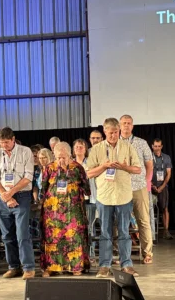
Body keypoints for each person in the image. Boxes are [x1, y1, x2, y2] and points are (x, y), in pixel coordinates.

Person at [86, 118, 142, 278]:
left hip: (123, 195)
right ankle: (104, 265)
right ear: (104, 132)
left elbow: (138, 169)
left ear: (119, 131)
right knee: (105, 232)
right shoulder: (96, 150)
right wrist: (104, 166)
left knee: (124, 231)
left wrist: (123, 167)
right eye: (110, 133)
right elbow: (88, 173)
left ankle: (127, 265)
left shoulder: (128, 147)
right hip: (104, 196)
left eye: (116, 132)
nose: (113, 135)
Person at [0, 127, 36, 279]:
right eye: (1, 143)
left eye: (6, 142)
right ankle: (13, 266)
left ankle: (28, 267)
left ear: (13, 139)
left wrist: (12, 192)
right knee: (7, 235)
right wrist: (5, 195)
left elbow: (28, 176)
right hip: (3, 197)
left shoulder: (25, 151)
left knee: (22, 233)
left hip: (22, 196)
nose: (4, 145)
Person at [40, 142, 91, 276]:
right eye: (58, 157)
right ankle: (52, 267)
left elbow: (87, 189)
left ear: (70, 155)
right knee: (53, 238)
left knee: (73, 238)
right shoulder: (49, 168)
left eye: (64, 157)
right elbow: (43, 189)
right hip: (53, 212)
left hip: (73, 210)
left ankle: (76, 267)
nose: (61, 160)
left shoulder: (77, 168)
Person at [119, 115, 154, 264]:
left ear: (132, 126)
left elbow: (149, 165)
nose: (126, 126)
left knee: (143, 220)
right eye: (124, 123)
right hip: (121, 187)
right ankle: (119, 253)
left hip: (139, 187)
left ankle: (148, 253)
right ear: (119, 126)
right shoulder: (115, 143)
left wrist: (146, 183)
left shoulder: (141, 143)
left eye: (129, 123)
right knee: (119, 221)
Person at [151, 139, 173, 239]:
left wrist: (162, 186)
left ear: (162, 146)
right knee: (148, 209)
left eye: (159, 146)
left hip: (163, 186)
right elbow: (145, 173)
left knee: (165, 208)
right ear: (152, 146)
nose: (157, 148)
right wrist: (151, 185)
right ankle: (150, 232)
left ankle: (166, 231)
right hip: (150, 186)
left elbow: (168, 173)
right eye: (155, 146)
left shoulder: (166, 157)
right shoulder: (148, 157)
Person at [88, 129, 104, 261]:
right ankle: (92, 254)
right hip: (91, 198)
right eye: (93, 138)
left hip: (105, 196)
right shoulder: (87, 155)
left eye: (98, 138)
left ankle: (106, 255)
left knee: (106, 227)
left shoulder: (107, 153)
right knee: (90, 228)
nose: (95, 140)